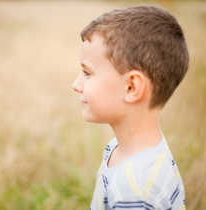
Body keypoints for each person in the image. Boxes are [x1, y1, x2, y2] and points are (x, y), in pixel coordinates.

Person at [72, 5, 189, 210]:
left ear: (131, 87)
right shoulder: (121, 148)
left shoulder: (136, 192)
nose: (76, 84)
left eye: (87, 73)